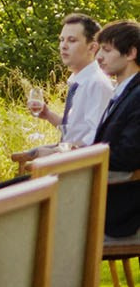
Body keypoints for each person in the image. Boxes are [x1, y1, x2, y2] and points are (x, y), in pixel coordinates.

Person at [11, 15, 113, 169]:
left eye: (71, 40)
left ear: (92, 47)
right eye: (61, 40)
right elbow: (75, 130)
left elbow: (95, 140)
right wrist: (48, 115)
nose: (63, 46)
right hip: (65, 163)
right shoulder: (79, 80)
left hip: (77, 170)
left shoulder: (97, 84)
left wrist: (55, 154)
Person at [95, 20, 140, 240]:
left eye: (107, 50)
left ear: (131, 52)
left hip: (117, 206)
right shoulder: (123, 91)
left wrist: (75, 156)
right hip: (97, 190)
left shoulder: (138, 95)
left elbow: (128, 155)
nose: (98, 57)